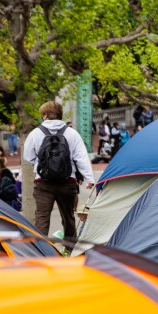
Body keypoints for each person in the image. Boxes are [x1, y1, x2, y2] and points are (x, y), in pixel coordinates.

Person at [23, 101, 95, 240]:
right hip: (68, 182)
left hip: (43, 183)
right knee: (68, 219)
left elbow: (28, 157)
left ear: (44, 115)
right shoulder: (72, 133)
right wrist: (89, 178)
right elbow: (81, 157)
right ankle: (69, 251)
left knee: (42, 218)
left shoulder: (35, 133)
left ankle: (40, 252)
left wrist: (40, 165)